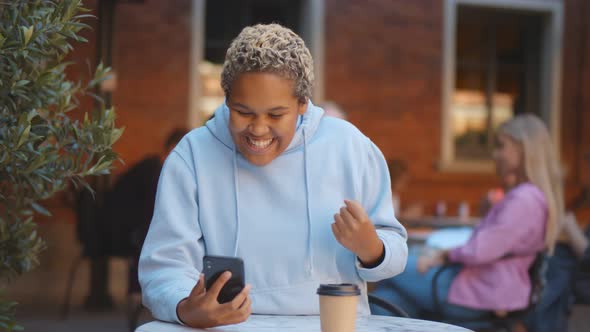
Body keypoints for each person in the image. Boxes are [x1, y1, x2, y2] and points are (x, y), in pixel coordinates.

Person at [138, 24, 408, 328]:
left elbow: (395, 251)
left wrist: (372, 249)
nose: (258, 129)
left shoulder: (350, 147)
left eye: (276, 115)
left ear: (302, 104)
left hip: (330, 324)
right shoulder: (193, 154)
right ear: (226, 99)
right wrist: (185, 307)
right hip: (229, 326)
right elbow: (164, 265)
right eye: (243, 112)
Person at [371, 114, 564, 324]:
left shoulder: (523, 200)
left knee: (387, 265)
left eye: (501, 146)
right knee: (387, 299)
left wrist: (444, 255)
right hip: (485, 287)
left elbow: (480, 250)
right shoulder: (531, 197)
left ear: (524, 149)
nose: (495, 154)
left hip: (479, 292)